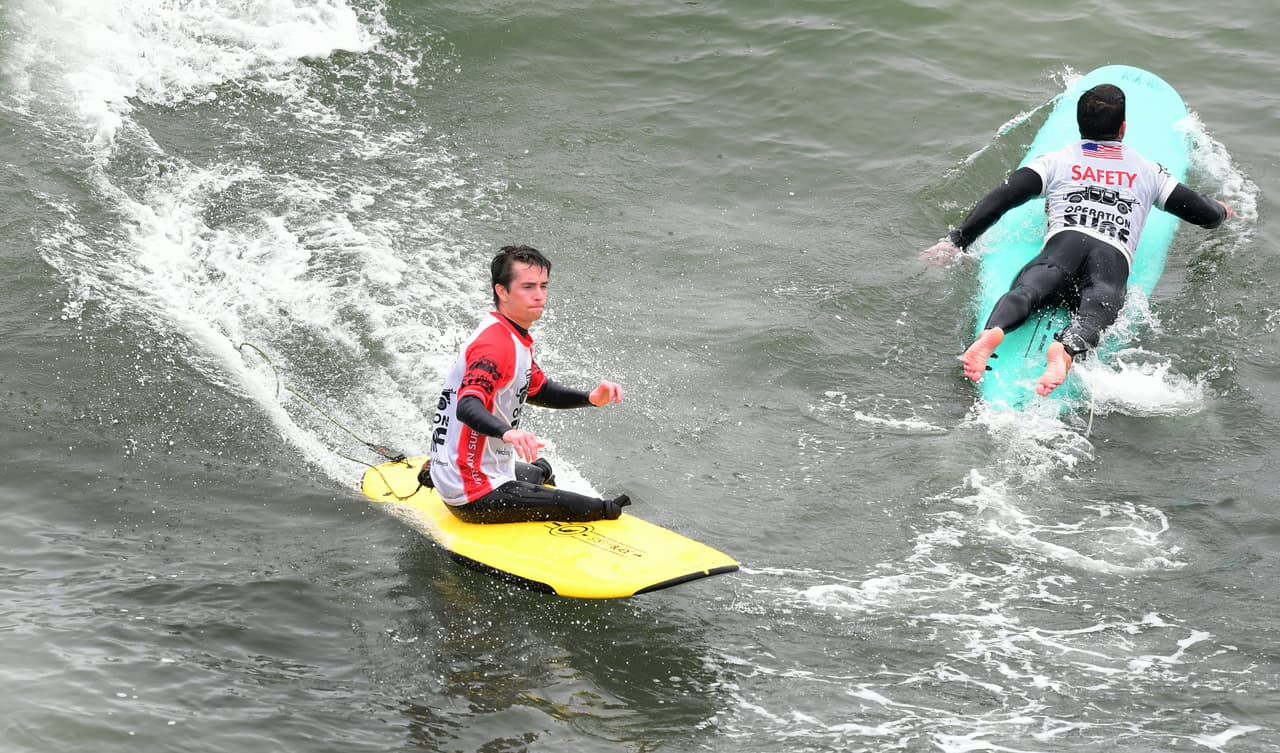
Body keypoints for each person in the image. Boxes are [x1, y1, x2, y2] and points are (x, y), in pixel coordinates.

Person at [922, 83, 1233, 396]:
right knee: (1099, 303)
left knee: (1029, 289)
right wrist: (1221, 209)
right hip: (1111, 255)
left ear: (1079, 125)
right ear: (1123, 128)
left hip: (1064, 245)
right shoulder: (1149, 171)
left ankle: (993, 331)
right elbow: (1205, 214)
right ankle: (1066, 350)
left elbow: (1005, 196)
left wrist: (957, 241)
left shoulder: (1056, 160)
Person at [424, 244, 630, 524]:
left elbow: (540, 390)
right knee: (594, 508)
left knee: (539, 472)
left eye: (543, 286)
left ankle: (437, 472)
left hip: (479, 467)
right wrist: (508, 433)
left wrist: (590, 398)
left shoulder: (511, 336)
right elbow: (467, 405)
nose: (540, 296)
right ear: (502, 290)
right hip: (471, 491)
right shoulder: (494, 344)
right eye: (528, 287)